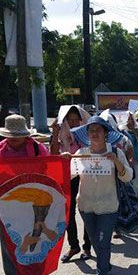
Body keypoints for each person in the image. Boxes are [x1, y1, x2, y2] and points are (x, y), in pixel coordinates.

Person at [67, 116, 133, 275]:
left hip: (108, 206)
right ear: (87, 134)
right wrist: (65, 159)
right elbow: (69, 175)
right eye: (91, 130)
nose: (94, 133)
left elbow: (127, 177)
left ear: (105, 133)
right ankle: (105, 265)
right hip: (86, 205)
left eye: (98, 130)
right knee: (96, 241)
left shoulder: (116, 153)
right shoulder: (80, 153)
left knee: (103, 242)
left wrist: (116, 162)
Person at [0, 114, 50, 275]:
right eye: (11, 137)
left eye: (18, 136)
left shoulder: (38, 150)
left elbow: (48, 170)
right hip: (5, 206)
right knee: (8, 244)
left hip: (32, 205)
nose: (14, 140)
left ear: (26, 134)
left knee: (30, 241)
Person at [50, 106, 93, 263]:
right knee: (68, 212)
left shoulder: (88, 134)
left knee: (86, 210)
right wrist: (55, 132)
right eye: (70, 120)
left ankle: (87, 246)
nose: (74, 123)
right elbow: (53, 154)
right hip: (67, 177)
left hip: (86, 176)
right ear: (65, 121)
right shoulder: (60, 136)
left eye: (77, 119)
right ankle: (74, 246)